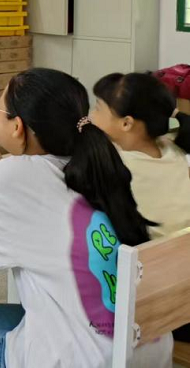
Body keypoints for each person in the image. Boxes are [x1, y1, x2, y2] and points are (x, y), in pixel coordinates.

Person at [0, 68, 172, 368]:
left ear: (17, 127)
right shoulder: (94, 164)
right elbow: (31, 201)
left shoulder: (19, 173)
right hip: (141, 347)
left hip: (86, 360)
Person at [91, 71, 190, 344]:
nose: (91, 116)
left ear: (126, 123)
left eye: (98, 108)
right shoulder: (172, 151)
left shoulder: (115, 167)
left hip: (157, 311)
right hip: (183, 295)